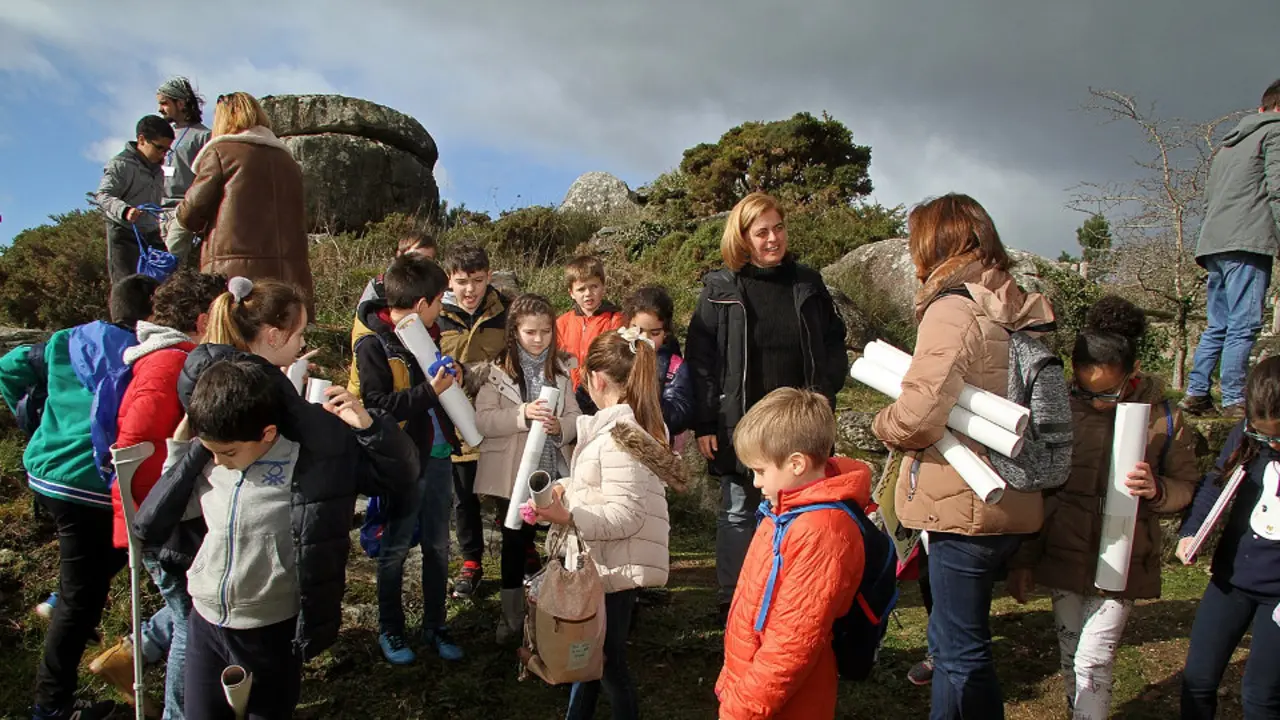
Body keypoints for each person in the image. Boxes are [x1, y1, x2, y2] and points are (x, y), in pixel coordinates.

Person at [135, 359, 417, 719]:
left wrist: (369, 427)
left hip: (270, 630)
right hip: (206, 622)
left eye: (229, 452)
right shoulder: (212, 457)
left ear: (267, 434)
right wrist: (181, 454)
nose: (219, 462)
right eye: (212, 452)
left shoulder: (312, 463)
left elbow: (398, 474)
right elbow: (177, 508)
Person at [870, 193, 1054, 720]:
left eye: (915, 242)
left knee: (957, 654)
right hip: (1011, 498)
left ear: (933, 243)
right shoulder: (1011, 301)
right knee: (966, 647)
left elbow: (921, 412)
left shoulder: (953, 307)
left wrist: (885, 423)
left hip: (963, 503)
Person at [1005, 296, 1197, 719]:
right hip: (1062, 555)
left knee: (1094, 659)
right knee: (1071, 653)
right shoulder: (1059, 412)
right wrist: (1024, 561)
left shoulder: (1164, 418)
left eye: (1107, 392)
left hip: (1123, 560)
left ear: (1133, 374)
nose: (1095, 402)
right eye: (1083, 389)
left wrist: (1159, 489)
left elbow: (1189, 485)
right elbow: (1035, 490)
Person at [0, 275, 159, 720]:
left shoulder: (66, 339)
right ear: (153, 309)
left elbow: (9, 367)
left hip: (47, 472)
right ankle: (51, 707)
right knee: (80, 599)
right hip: (89, 484)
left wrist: (35, 419)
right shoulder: (142, 353)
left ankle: (61, 600)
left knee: (105, 558)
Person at [685, 191, 848, 621]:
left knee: (803, 510)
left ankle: (796, 595)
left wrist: (826, 394)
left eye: (778, 228)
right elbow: (700, 363)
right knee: (739, 508)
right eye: (761, 232)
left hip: (799, 424)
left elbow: (834, 343)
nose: (772, 239)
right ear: (742, 238)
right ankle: (734, 599)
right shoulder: (719, 290)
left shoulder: (808, 284)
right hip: (739, 423)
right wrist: (705, 421)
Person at [89, 270, 226, 719]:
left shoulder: (173, 358)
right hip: (167, 522)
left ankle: (132, 654)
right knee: (193, 622)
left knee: (193, 602)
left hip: (168, 516)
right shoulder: (170, 364)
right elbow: (136, 448)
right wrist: (159, 516)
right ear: (205, 319)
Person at [528, 328, 681, 720]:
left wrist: (567, 516)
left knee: (605, 663)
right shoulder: (617, 429)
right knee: (593, 659)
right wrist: (563, 489)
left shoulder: (619, 437)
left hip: (614, 569)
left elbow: (626, 514)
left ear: (597, 379)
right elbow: (600, 486)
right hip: (607, 565)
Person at [716, 388, 870, 720]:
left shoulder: (822, 531)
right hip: (755, 688)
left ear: (796, 464)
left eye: (760, 471)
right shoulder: (783, 512)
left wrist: (742, 708)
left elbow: (794, 642)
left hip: (785, 701)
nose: (755, 483)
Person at [350, 254, 464, 663]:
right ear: (420, 304)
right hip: (401, 463)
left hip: (437, 456)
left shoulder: (428, 332)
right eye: (439, 300)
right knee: (395, 548)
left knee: (437, 544)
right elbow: (377, 406)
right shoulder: (373, 343)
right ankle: (392, 630)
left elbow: (435, 380)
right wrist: (431, 391)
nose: (442, 308)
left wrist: (455, 374)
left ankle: (436, 625)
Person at [1176, 356, 1280, 719]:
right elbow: (1215, 484)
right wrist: (1192, 532)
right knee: (1197, 679)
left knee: (1261, 695)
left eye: (1278, 435)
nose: (1271, 443)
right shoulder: (1245, 438)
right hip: (1231, 580)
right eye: (1262, 433)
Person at [474, 294, 580, 643]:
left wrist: (560, 427)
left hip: (553, 472)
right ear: (514, 331)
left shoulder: (562, 370)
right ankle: (511, 617)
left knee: (560, 544)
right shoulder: (497, 371)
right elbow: (483, 421)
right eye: (531, 332)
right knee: (514, 543)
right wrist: (522, 416)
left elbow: (576, 418)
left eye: (546, 332)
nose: (539, 339)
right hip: (512, 474)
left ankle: (560, 613)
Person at [1180, 79, 1280, 419]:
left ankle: (1196, 393)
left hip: (1214, 243)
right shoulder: (1275, 133)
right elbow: (1278, 190)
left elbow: (1208, 201)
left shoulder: (1228, 145)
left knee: (1217, 324)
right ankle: (1234, 401)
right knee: (1244, 324)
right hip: (1247, 242)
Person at [175, 91, 314, 318]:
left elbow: (191, 212)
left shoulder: (221, 152)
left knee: (233, 340)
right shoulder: (288, 161)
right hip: (287, 277)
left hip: (233, 277)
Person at [438, 243, 510, 599]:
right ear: (449, 280)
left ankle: (522, 549)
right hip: (454, 421)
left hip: (498, 417)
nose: (470, 290)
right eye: (462, 281)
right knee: (463, 495)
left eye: (478, 281)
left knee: (507, 488)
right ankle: (471, 561)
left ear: (489, 277)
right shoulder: (434, 316)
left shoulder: (505, 310)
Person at [96, 115, 175, 284]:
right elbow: (103, 195)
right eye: (159, 148)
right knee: (127, 291)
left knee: (167, 287)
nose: (163, 154)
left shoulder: (159, 170)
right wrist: (125, 210)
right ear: (141, 140)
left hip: (152, 236)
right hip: (124, 235)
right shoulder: (120, 164)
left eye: (167, 150)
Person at [623, 285, 693, 443]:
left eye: (654, 333)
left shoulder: (674, 366)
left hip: (657, 447)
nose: (645, 338)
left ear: (666, 332)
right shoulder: (617, 357)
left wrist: (647, 399)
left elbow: (679, 415)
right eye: (638, 330)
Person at [556, 255, 624, 413]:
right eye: (581, 289)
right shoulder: (562, 323)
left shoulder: (615, 319)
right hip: (569, 397)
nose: (588, 293)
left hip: (604, 397)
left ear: (603, 287)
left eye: (594, 286)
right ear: (571, 293)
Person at [155, 77, 212, 266]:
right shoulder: (162, 135)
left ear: (180, 103)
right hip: (157, 212)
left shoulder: (204, 136)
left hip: (183, 212)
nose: (160, 109)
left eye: (164, 103)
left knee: (170, 269)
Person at [357, 230, 438, 307]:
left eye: (426, 260)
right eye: (414, 257)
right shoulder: (379, 287)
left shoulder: (437, 290)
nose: (420, 263)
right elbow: (362, 318)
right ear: (399, 255)